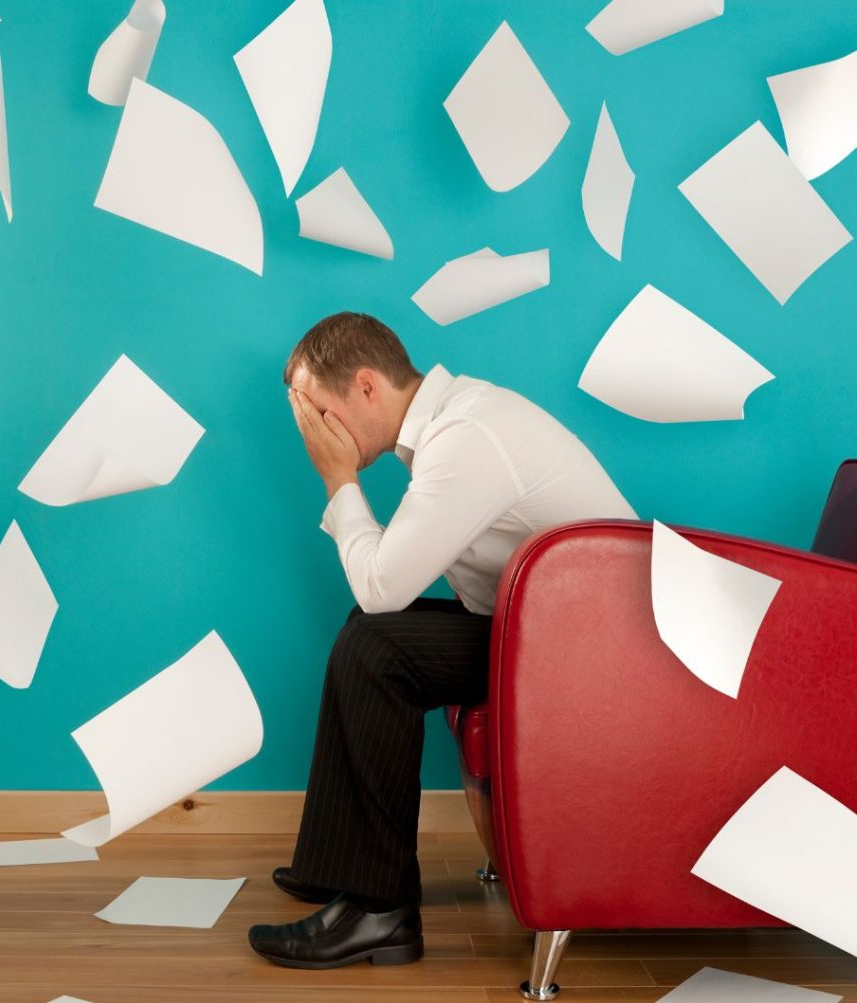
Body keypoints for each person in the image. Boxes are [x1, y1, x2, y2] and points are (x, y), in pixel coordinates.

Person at [247, 311, 636, 969]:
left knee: (377, 647)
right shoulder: (454, 426)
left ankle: (381, 910)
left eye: (319, 413)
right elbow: (386, 591)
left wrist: (338, 480)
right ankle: (336, 863)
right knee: (368, 635)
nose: (316, 435)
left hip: (594, 654)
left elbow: (379, 584)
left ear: (367, 387)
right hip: (545, 631)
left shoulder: (465, 440)